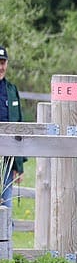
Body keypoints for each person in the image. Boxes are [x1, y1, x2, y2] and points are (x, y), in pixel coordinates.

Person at [0, 45, 26, 212]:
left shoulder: (11, 89)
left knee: (6, 204)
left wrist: (19, 165)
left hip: (8, 157)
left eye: (3, 62)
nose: (1, 67)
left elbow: (19, 126)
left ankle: (6, 237)